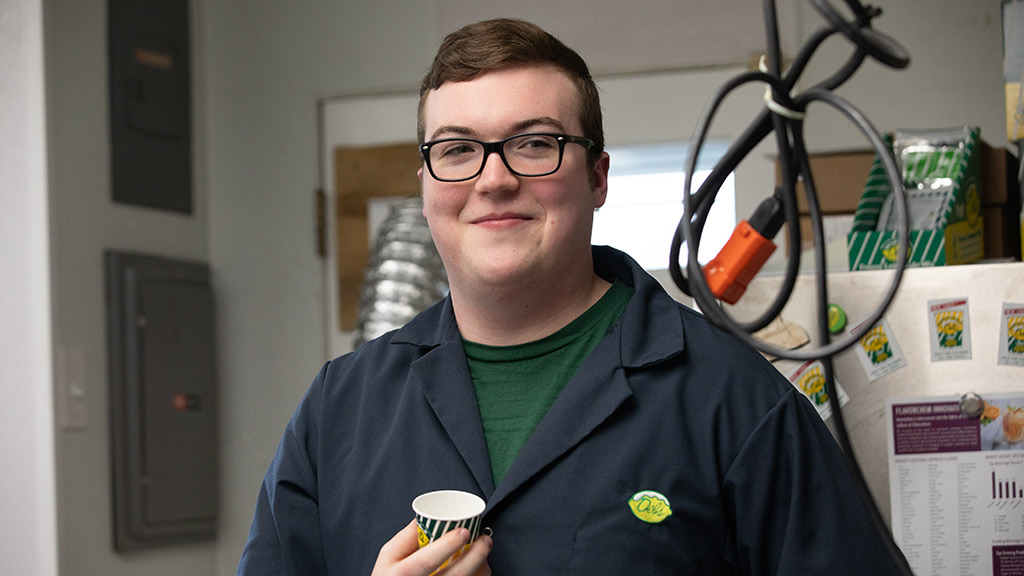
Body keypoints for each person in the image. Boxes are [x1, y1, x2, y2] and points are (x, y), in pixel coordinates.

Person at [238, 18, 905, 575]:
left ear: (597, 176)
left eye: (534, 144)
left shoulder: (732, 403)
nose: (493, 179)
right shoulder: (339, 412)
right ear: (426, 180)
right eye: (458, 149)